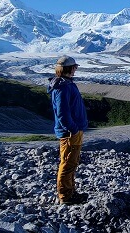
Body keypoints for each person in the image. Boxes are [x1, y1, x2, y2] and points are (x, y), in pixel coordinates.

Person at [47, 55, 89, 205]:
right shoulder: (63, 87)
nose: (76, 69)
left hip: (73, 131)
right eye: (75, 67)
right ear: (69, 68)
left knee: (71, 162)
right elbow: (63, 113)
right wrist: (73, 129)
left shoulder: (65, 84)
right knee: (67, 163)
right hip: (70, 133)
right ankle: (65, 196)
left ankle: (70, 192)